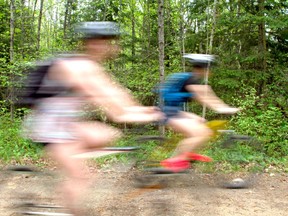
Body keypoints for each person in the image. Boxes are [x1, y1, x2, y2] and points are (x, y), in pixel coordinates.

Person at [22, 21, 162, 215]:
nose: (105, 46)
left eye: (108, 42)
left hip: (65, 126)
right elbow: (115, 110)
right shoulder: (78, 67)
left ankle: (71, 163)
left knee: (106, 134)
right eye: (99, 41)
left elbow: (118, 96)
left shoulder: (91, 67)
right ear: (88, 43)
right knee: (82, 177)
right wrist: (140, 115)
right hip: (49, 129)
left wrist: (143, 110)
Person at [158, 54, 239, 172]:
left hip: (172, 110)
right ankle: (176, 161)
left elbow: (209, 95)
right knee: (203, 133)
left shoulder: (192, 79)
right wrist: (223, 109)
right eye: (209, 69)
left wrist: (223, 107)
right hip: (169, 112)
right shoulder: (192, 80)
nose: (210, 71)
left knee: (201, 122)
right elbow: (204, 98)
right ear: (203, 69)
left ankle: (183, 156)